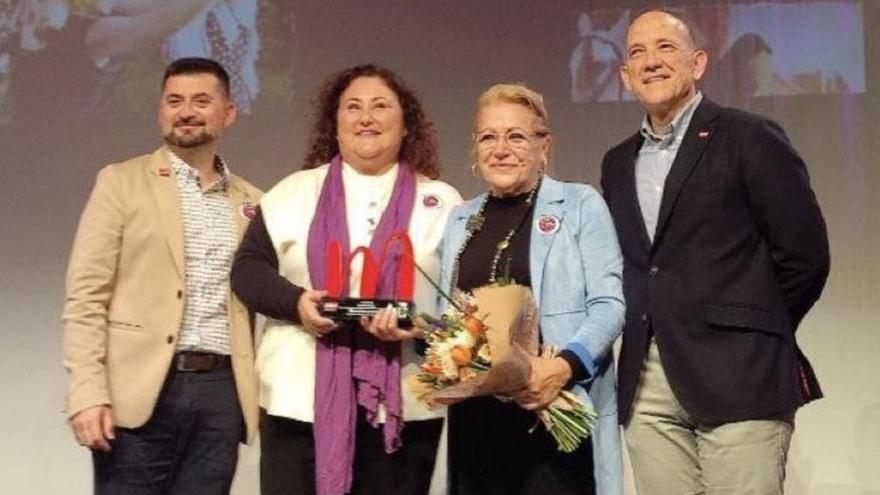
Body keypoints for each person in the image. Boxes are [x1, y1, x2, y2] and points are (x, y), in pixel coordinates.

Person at [600, 10, 830, 495]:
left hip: (741, 374)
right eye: (637, 53)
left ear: (698, 63)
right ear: (624, 76)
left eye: (666, 47)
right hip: (648, 382)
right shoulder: (617, 163)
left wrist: (751, 327)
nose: (651, 62)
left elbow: (805, 256)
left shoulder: (749, 136)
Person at [230, 63, 462, 495]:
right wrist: (297, 302)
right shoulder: (292, 192)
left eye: (380, 106)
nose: (366, 118)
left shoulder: (443, 202)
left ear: (407, 123)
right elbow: (247, 269)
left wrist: (420, 326)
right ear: (334, 125)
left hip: (406, 401)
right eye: (352, 107)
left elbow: (464, 304)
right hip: (298, 397)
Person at [62, 57, 262, 494]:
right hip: (140, 388)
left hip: (220, 391)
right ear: (161, 110)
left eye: (201, 101)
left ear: (227, 113)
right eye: (174, 101)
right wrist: (88, 391)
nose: (186, 111)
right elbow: (86, 296)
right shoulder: (121, 182)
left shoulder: (253, 201)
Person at [438, 83, 625, 495]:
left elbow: (609, 305)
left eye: (516, 136)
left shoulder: (579, 205)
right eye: (489, 136)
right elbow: (446, 314)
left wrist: (563, 368)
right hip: (478, 424)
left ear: (544, 145)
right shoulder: (459, 220)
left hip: (554, 407)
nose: (501, 148)